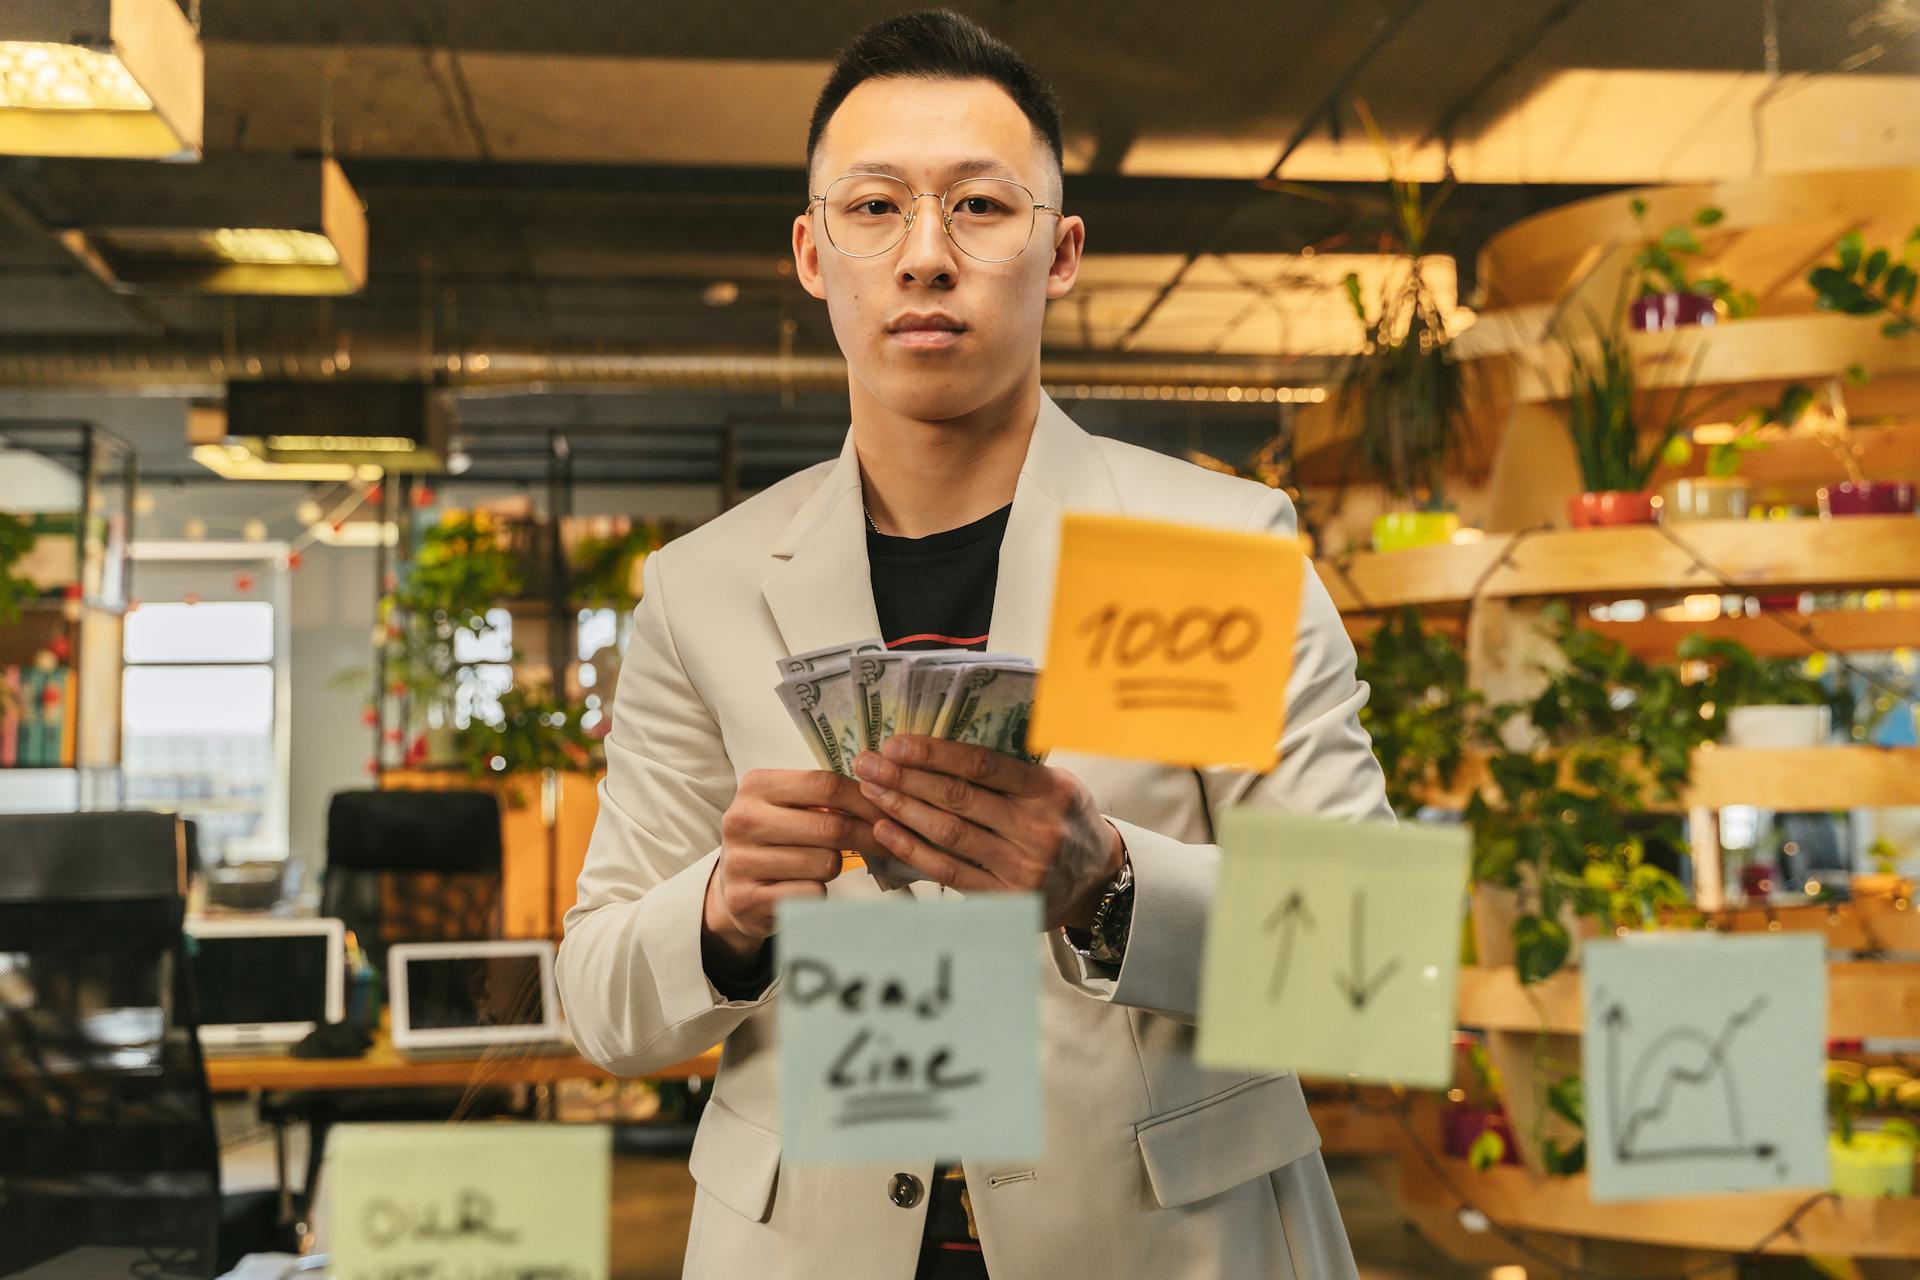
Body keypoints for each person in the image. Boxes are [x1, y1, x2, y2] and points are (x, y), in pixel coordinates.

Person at [556, 11, 1391, 1278]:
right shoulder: (703, 589)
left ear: (1059, 255)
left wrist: (1109, 886)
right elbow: (598, 998)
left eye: (981, 208)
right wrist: (723, 915)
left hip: (1161, 1240)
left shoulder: (1206, 547)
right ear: (811, 251)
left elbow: (1367, 954)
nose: (926, 256)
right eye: (876, 206)